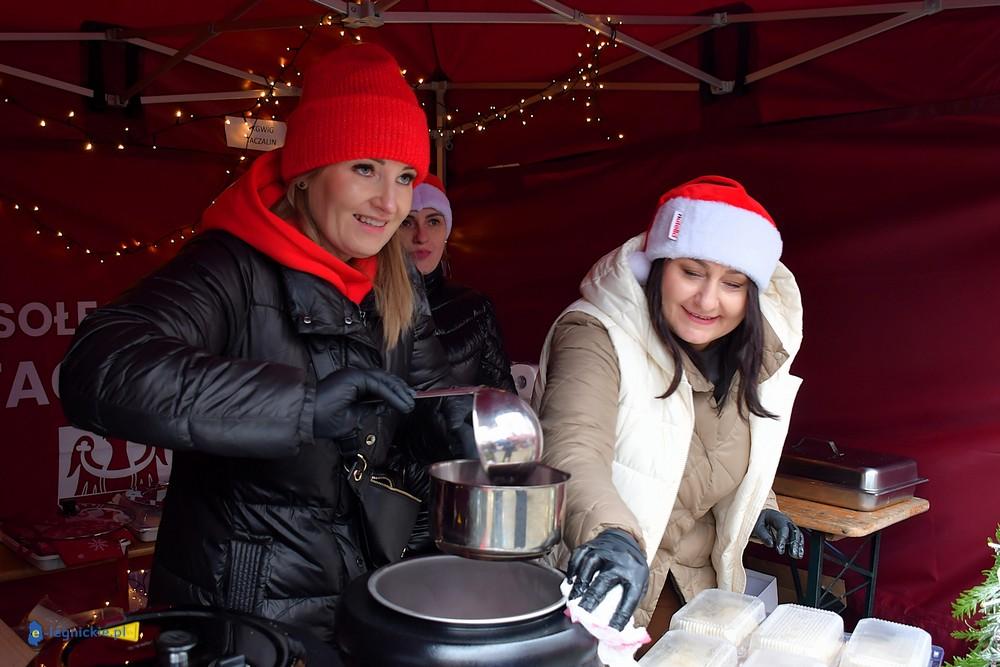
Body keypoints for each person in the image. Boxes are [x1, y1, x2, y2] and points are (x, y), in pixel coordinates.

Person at [58, 43, 475, 641]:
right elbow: (98, 366)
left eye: (404, 176)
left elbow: (427, 393)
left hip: (368, 599)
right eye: (365, 168)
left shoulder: (393, 273)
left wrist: (456, 422)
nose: (391, 204)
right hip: (243, 615)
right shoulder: (230, 265)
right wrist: (299, 405)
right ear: (307, 172)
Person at [533, 175, 806, 643]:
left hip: (690, 594)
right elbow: (572, 446)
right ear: (658, 264)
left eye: (733, 282)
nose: (707, 300)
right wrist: (609, 534)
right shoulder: (595, 333)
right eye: (692, 271)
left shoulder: (743, 358)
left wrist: (759, 505)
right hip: (590, 586)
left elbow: (707, 453)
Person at [397, 175, 516, 392]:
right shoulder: (361, 304)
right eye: (406, 222)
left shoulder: (475, 308)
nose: (421, 237)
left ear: (446, 231)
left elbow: (501, 401)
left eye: (433, 221)